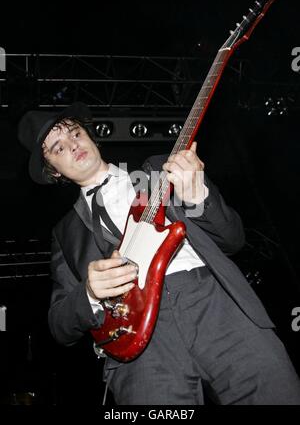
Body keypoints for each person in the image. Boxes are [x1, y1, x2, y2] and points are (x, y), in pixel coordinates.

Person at [18, 101, 300, 405]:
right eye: (58, 148)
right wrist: (89, 293)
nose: (72, 146)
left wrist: (197, 196)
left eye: (74, 133)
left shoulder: (161, 170)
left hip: (212, 302)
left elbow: (233, 239)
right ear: (53, 172)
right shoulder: (65, 234)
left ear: (89, 134)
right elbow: (59, 325)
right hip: (139, 343)